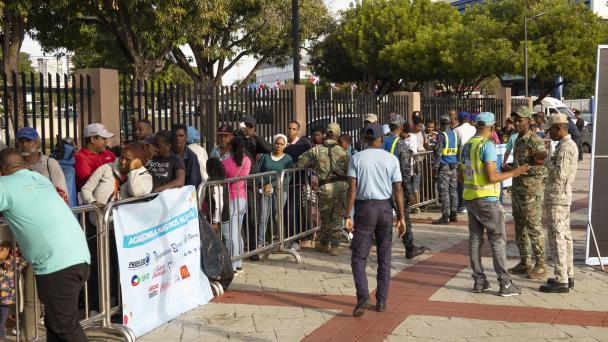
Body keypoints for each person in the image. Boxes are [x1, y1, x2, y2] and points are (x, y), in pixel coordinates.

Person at [0, 148, 90, 341]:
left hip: (57, 265)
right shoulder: (39, 179)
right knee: (55, 324)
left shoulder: (4, 184)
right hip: (78, 256)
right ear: (24, 165)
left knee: (64, 327)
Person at [459, 113, 528, 297]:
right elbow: (492, 177)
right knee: (497, 240)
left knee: (475, 241)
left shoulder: (467, 146)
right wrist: (515, 172)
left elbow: (461, 176)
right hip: (487, 200)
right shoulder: (486, 145)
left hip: (470, 199)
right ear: (491, 127)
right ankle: (505, 283)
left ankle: (479, 281)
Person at [344, 123, 406, 316]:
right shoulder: (391, 159)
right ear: (381, 139)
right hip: (385, 209)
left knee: (359, 256)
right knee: (384, 256)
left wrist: (347, 215)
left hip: (365, 209)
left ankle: (363, 295)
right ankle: (381, 301)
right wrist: (402, 217)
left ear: (365, 139)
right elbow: (398, 190)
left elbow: (352, 189)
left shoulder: (356, 158)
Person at [505, 106, 548, 279]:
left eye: (520, 120)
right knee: (520, 227)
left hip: (530, 191)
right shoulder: (518, 140)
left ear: (529, 121)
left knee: (533, 228)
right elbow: (519, 165)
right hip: (518, 190)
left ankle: (541, 264)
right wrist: (511, 168)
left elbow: (541, 169)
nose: (516, 123)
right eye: (514, 120)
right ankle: (525, 262)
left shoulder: (535, 141)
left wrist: (521, 170)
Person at [297, 123, 349, 256]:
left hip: (325, 187)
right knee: (337, 217)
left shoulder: (317, 150)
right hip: (341, 187)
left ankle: (325, 244)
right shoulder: (343, 152)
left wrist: (315, 164)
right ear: (337, 135)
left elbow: (300, 162)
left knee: (325, 217)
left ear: (326, 134)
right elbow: (349, 171)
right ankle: (335, 247)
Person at [540, 113, 578, 293]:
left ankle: (561, 278)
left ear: (560, 128)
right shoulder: (566, 145)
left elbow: (559, 174)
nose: (550, 134)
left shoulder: (565, 147)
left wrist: (544, 159)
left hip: (558, 197)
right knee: (565, 236)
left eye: (551, 130)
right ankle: (568, 274)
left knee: (557, 237)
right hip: (561, 197)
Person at [235, 115, 272, 260]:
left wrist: (254, 136)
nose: (247, 128)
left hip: (250, 183)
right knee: (235, 216)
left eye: (250, 126)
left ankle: (252, 249)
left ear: (254, 127)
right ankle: (237, 247)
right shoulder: (237, 138)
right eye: (246, 125)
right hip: (236, 181)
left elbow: (268, 148)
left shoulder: (255, 140)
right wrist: (240, 136)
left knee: (252, 216)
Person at [392, 118, 426, 259]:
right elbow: (405, 172)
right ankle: (409, 247)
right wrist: (410, 191)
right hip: (397, 188)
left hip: (380, 187)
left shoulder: (380, 141)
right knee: (403, 216)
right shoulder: (400, 144)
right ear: (400, 127)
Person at [81, 142, 153, 206]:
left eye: (128, 160)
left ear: (138, 161)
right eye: (122, 157)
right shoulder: (106, 168)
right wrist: (92, 203)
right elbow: (86, 189)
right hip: (97, 218)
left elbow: (136, 193)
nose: (123, 162)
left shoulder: (145, 177)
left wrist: (133, 170)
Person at [221, 137, 252, 272]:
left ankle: (233, 265)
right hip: (242, 198)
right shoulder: (247, 161)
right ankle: (238, 263)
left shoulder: (226, 163)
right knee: (238, 232)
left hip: (231, 199)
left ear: (231, 147)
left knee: (232, 234)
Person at [258, 134, 293, 248]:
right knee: (263, 216)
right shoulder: (265, 157)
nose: (278, 146)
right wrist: (263, 184)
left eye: (281, 144)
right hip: (265, 190)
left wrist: (272, 184)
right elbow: (258, 172)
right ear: (273, 143)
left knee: (277, 216)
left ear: (285, 146)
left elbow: (288, 177)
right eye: (277, 143)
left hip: (280, 191)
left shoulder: (288, 159)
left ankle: (280, 240)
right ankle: (260, 242)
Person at [284, 120, 314, 248]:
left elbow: (311, 160)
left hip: (298, 182)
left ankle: (295, 240)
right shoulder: (283, 143)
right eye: (289, 128)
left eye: (294, 129)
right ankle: (288, 238)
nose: (291, 131)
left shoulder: (303, 144)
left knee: (293, 212)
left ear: (298, 131)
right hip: (284, 183)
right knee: (285, 212)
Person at [17, 127, 68, 197]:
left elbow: (62, 193)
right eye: (21, 141)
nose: (24, 144)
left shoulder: (50, 163)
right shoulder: (15, 165)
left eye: (28, 141)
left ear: (37, 143)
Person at [433, 115, 459, 224]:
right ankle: (454, 214)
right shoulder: (454, 134)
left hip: (444, 167)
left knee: (444, 193)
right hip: (453, 166)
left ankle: (445, 216)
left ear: (441, 124)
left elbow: (438, 153)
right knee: (453, 191)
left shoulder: (441, 135)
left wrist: (435, 167)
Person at [75, 123, 116, 189]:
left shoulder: (109, 153)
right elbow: (90, 184)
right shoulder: (80, 158)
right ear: (93, 139)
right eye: (104, 139)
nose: (106, 142)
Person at [0, 243, 26, 339]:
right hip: (5, 298)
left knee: (2, 320)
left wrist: (13, 260)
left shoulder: (13, 263)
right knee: (2, 320)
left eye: (3, 249)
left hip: (5, 298)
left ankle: (2, 336)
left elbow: (23, 262)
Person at [454, 111, 477, 213]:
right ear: (467, 119)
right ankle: (472, 203)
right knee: (472, 181)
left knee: (462, 182)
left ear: (459, 119)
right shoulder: (474, 128)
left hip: (462, 160)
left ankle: (463, 205)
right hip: (474, 158)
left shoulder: (456, 130)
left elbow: (456, 146)